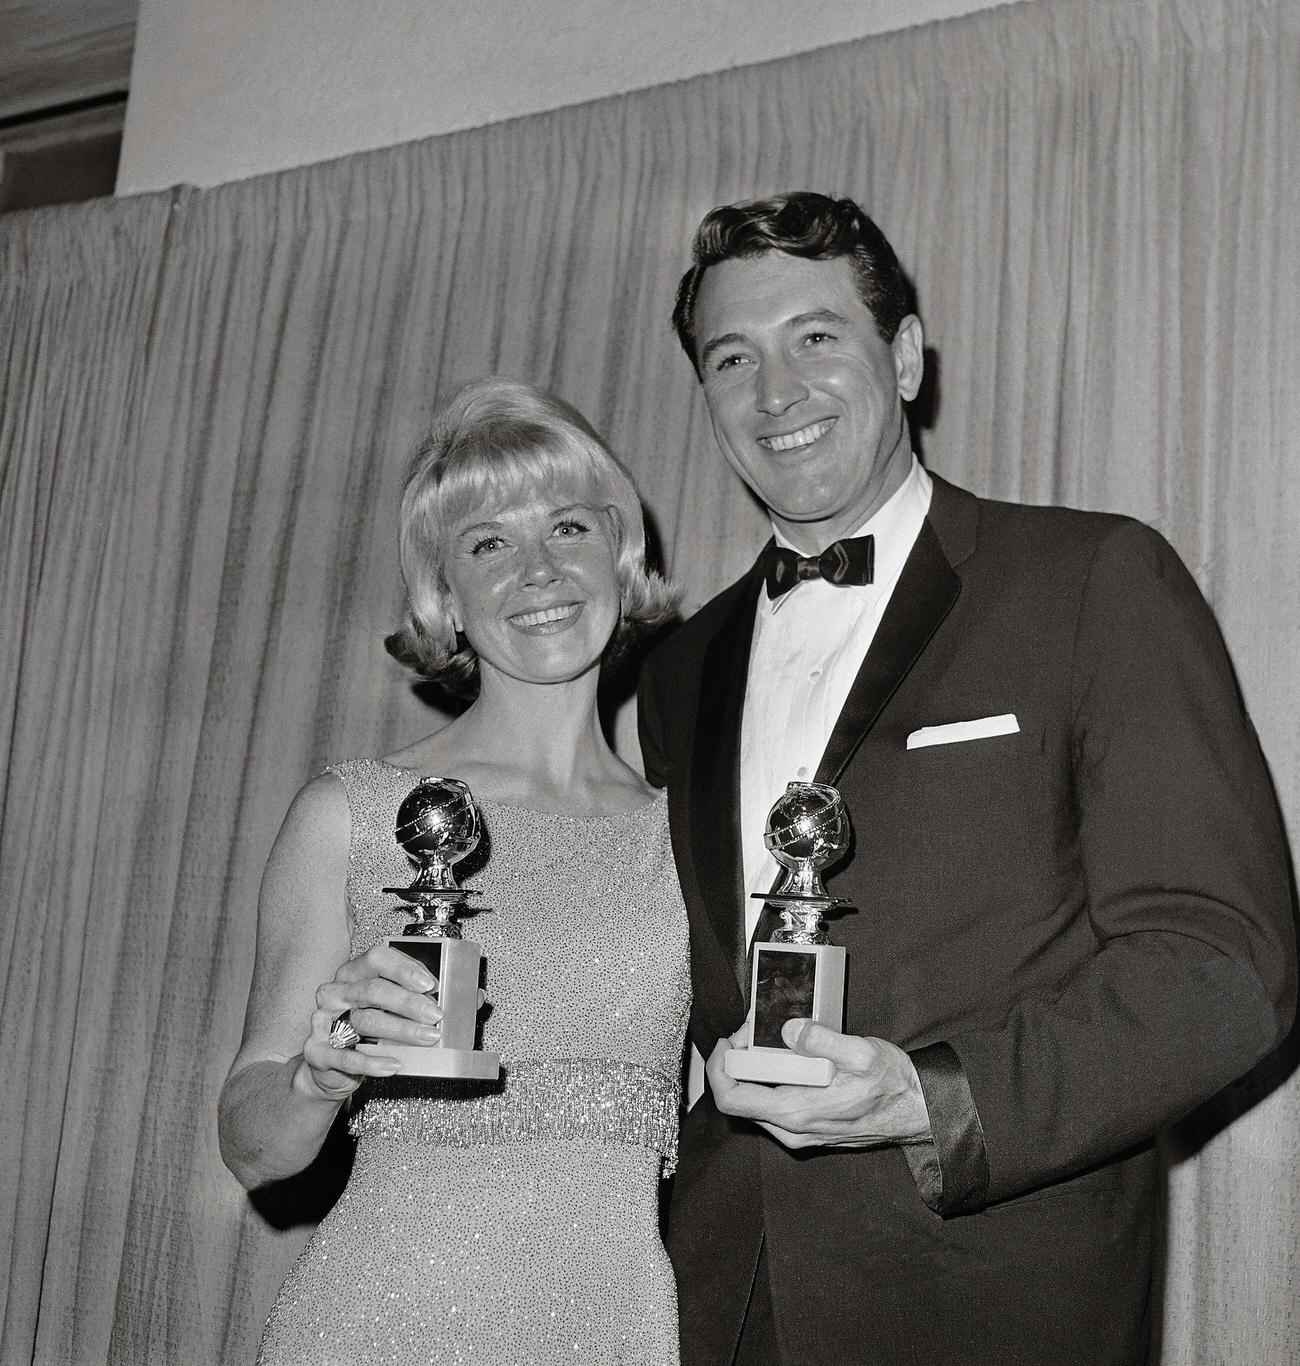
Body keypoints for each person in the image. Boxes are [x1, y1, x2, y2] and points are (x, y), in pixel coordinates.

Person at [637, 192, 1296, 1365]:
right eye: (731, 358)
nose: (774, 392)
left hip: (991, 1294)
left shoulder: (1092, 579)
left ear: (903, 354)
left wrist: (925, 1099)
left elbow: (1222, 966)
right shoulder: (674, 669)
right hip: (720, 1298)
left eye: (816, 337)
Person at [219, 377, 689, 1365]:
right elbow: (254, 1146)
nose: (539, 570)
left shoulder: (689, 840)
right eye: (488, 543)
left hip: (611, 1329)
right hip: (379, 1325)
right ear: (446, 597)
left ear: (620, 550)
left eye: (567, 525)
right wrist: (320, 1071)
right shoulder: (351, 814)